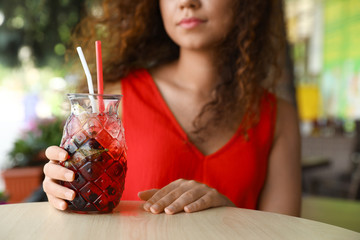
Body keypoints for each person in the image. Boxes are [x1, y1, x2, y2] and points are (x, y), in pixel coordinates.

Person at [43, 0, 301, 216]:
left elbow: (283, 232)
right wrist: (62, 190)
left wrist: (226, 214)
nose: (187, 3)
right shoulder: (110, 100)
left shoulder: (279, 117)